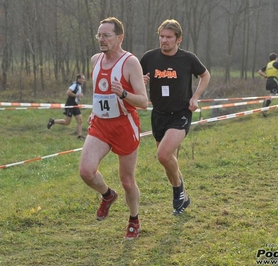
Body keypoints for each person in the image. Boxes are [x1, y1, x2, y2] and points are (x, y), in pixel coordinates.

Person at [78, 17, 148, 239]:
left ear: (120, 38)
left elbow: (144, 102)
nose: (101, 39)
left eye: (106, 35)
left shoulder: (130, 63)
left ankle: (134, 219)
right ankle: (107, 195)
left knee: (127, 181)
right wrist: (95, 111)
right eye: (99, 35)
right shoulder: (95, 60)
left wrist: (124, 94)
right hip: (101, 125)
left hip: (124, 125)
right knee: (86, 172)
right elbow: (99, 93)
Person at [140, 19, 211, 215]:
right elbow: (133, 78)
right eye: (161, 36)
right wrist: (141, 80)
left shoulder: (188, 59)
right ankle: (183, 197)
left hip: (180, 114)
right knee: (168, 161)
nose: (164, 40)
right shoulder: (149, 58)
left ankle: (177, 190)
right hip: (158, 114)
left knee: (163, 155)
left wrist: (195, 97)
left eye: (169, 37)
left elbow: (205, 75)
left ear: (178, 39)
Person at [47, 74, 85, 140]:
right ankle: (53, 121)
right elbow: (68, 92)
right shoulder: (74, 85)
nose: (83, 80)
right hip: (70, 104)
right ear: (78, 79)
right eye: (82, 79)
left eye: (84, 79)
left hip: (75, 104)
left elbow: (76, 96)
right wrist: (77, 96)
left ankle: (79, 136)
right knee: (67, 122)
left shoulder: (79, 86)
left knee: (80, 120)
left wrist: (79, 98)